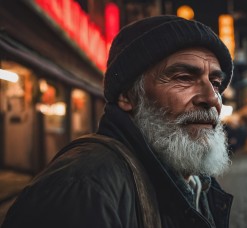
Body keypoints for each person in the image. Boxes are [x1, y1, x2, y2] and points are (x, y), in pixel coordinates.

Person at [2, 15, 233, 228]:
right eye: (183, 78)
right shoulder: (83, 186)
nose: (211, 99)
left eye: (215, 83)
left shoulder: (197, 182)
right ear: (127, 95)